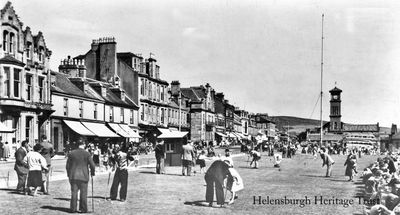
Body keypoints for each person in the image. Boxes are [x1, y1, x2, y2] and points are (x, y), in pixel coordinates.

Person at [66, 140, 95, 213]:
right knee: (83, 193)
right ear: (84, 144)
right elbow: (92, 165)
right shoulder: (87, 153)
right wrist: (92, 173)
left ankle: (73, 209)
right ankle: (83, 209)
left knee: (74, 193)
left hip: (73, 176)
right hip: (84, 176)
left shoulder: (71, 153)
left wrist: (69, 174)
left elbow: (67, 166)